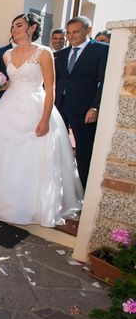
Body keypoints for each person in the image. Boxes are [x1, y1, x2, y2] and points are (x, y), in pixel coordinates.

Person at [0, 13, 83, 227]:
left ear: (32, 28)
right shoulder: (7, 55)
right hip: (9, 107)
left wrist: (44, 119)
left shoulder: (44, 53)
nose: (15, 29)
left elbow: (50, 89)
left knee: (31, 156)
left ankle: (25, 204)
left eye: (20, 25)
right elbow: (10, 83)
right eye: (13, 26)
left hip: (35, 106)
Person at [55, 16, 109, 189]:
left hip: (85, 111)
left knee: (84, 152)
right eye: (68, 33)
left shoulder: (102, 50)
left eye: (76, 32)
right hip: (60, 109)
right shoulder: (60, 55)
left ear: (88, 30)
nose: (71, 36)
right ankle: (60, 187)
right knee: (57, 149)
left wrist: (95, 106)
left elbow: (103, 81)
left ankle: (82, 190)